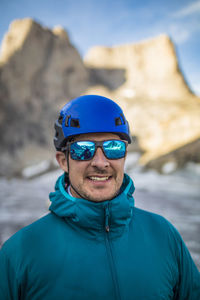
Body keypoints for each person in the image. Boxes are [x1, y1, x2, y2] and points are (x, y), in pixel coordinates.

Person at [0, 94, 199, 300]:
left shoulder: (164, 236)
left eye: (114, 147)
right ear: (63, 161)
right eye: (83, 149)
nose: (101, 162)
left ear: (125, 156)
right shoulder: (20, 251)